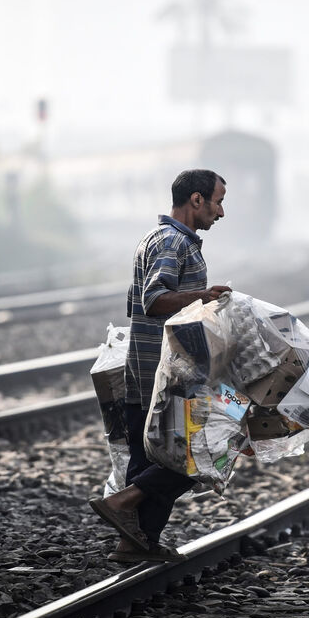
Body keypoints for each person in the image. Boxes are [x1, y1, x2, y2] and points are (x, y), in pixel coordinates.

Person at [89, 169, 232, 563]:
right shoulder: (173, 242)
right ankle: (125, 501)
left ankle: (135, 543)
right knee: (198, 452)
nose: (220, 212)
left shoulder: (159, 239)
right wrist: (204, 297)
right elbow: (154, 299)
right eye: (218, 202)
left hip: (148, 370)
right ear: (197, 199)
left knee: (149, 458)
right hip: (165, 377)